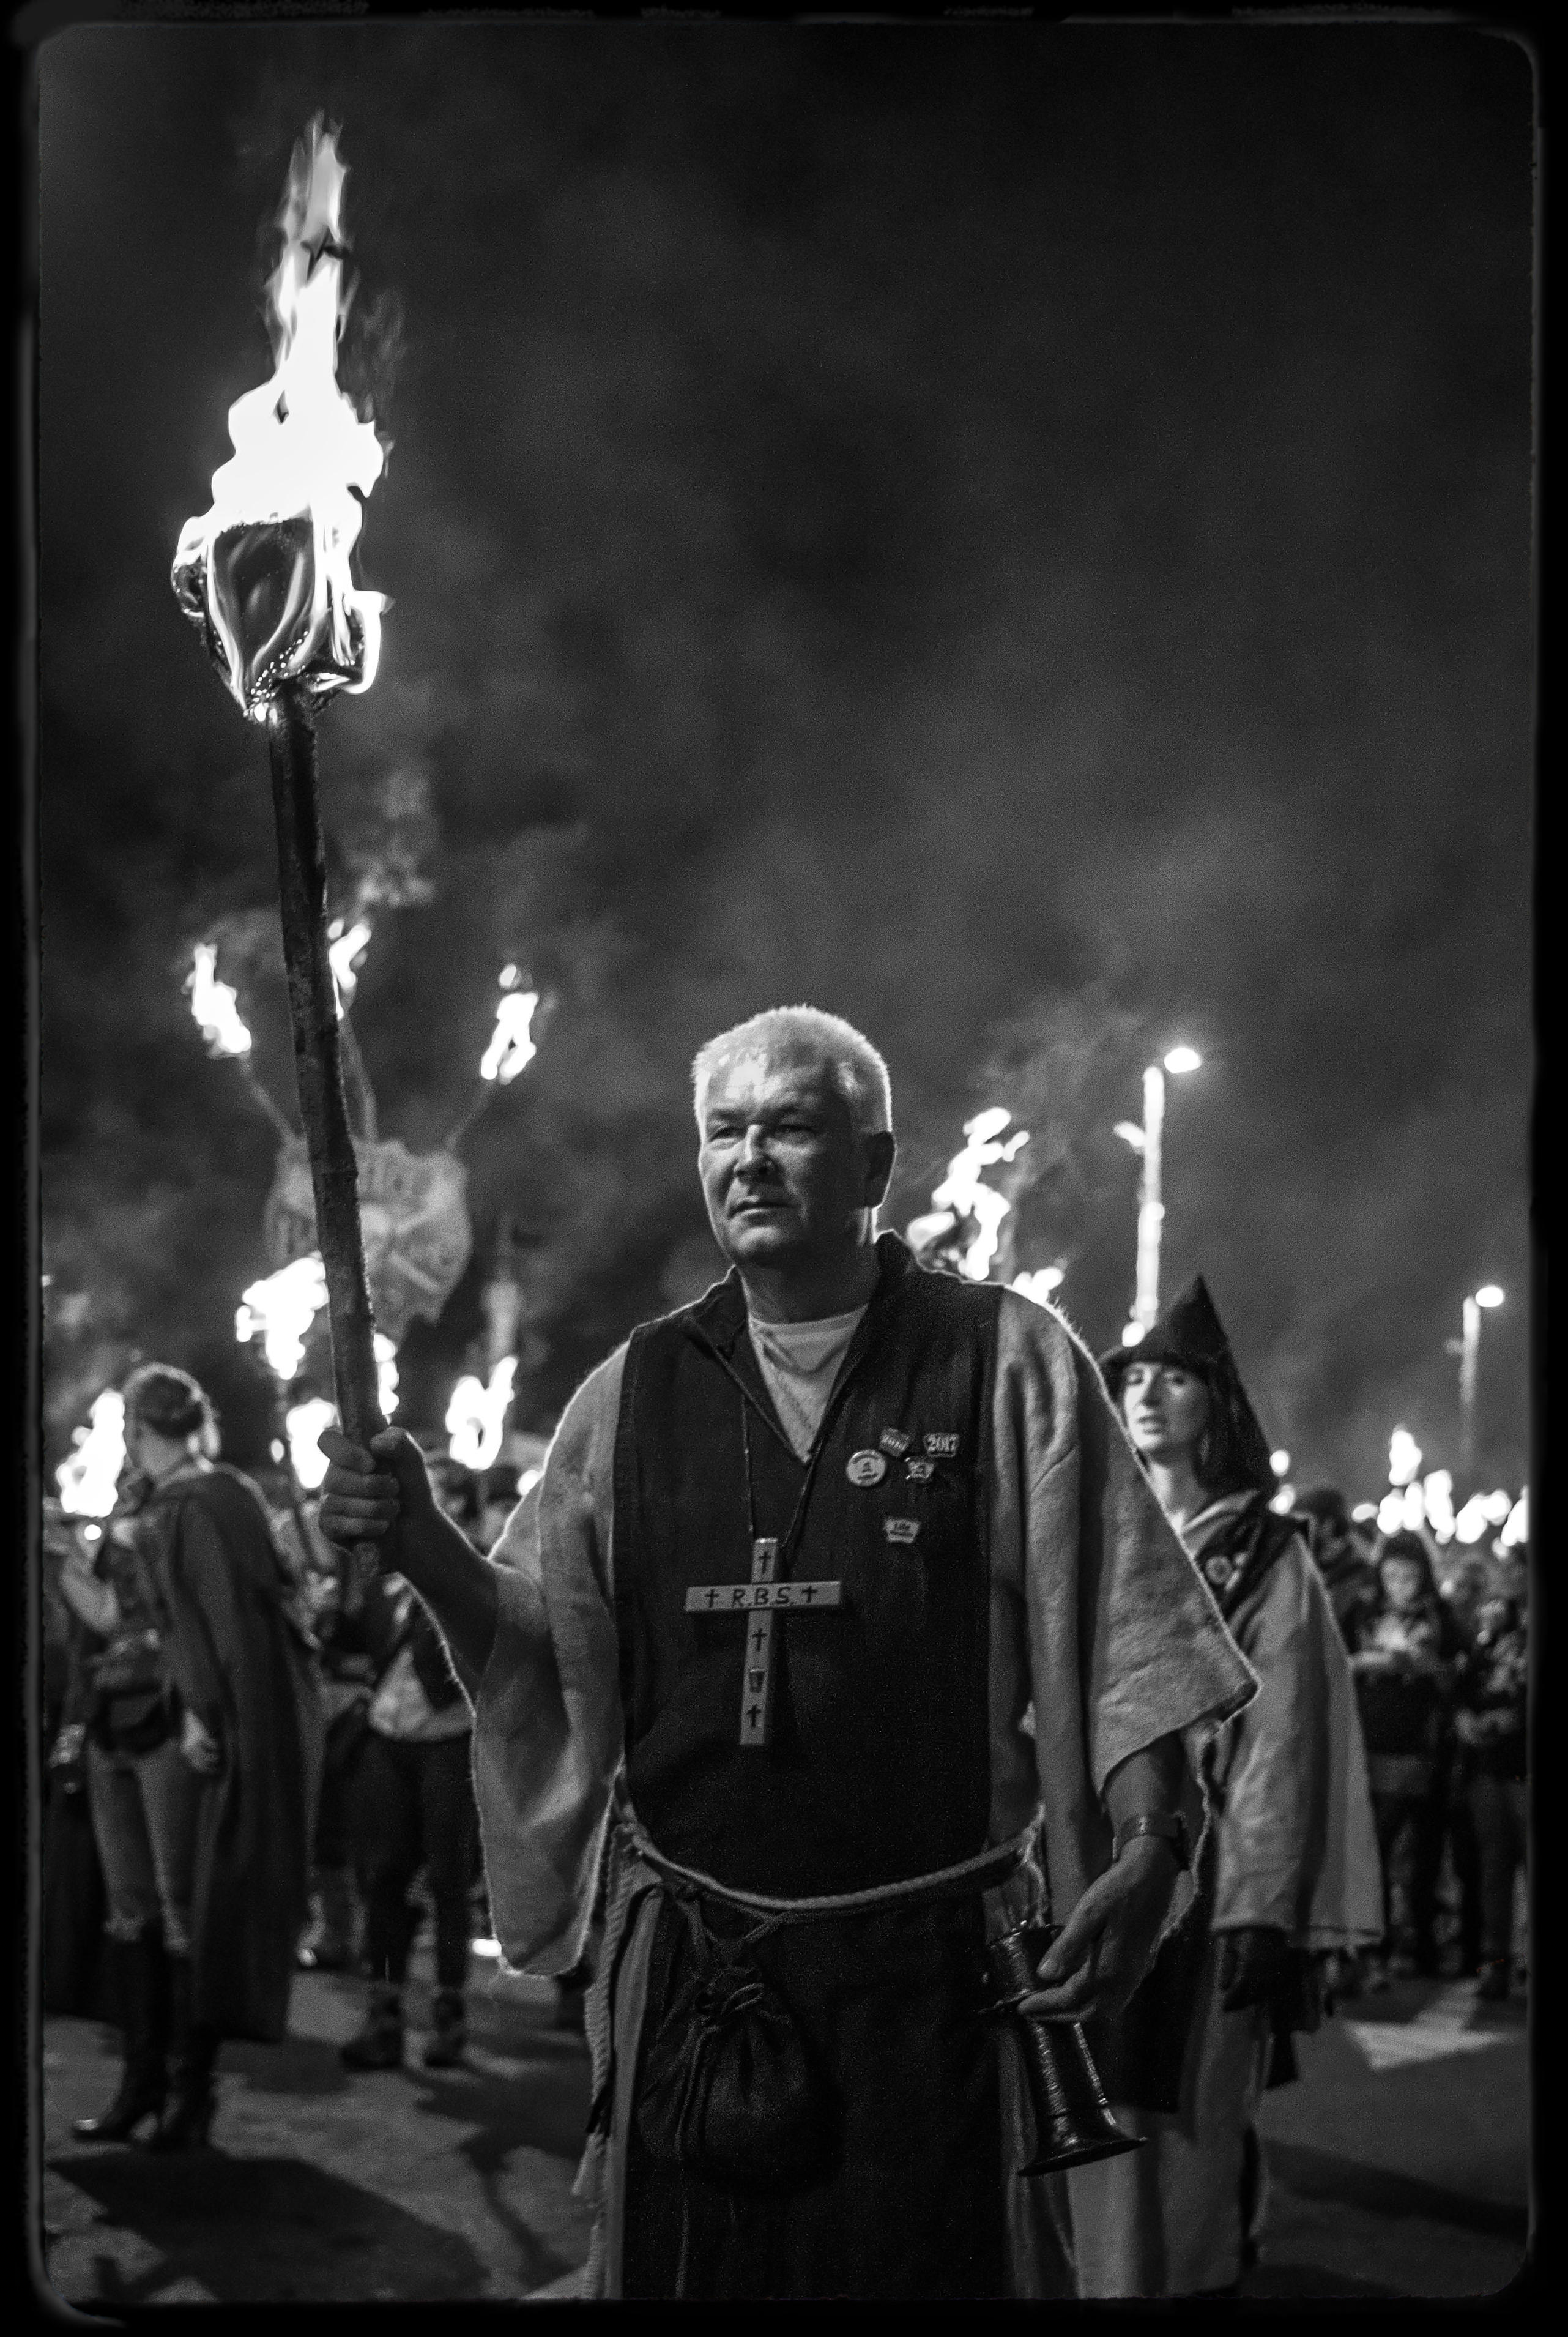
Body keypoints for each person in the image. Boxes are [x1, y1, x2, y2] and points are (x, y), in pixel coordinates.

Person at [319, 1005, 1259, 2300]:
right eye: (725, 1131)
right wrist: (424, 1541)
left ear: (874, 1164)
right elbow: (541, 1648)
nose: (750, 1157)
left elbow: (1126, 1636)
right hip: (695, 1971)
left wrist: (1152, 1845)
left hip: (933, 1977)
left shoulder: (1003, 1358)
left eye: (791, 1126)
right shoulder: (634, 1390)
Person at [1065, 1277, 1382, 2299]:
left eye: (1174, 1377)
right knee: (1083, 2105)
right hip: (1077, 1860)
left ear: (1218, 1403)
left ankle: (1186, 2279)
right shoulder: (1093, 1529)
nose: (1147, 1393)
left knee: (1185, 2117)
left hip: (1203, 1882)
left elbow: (1279, 1744)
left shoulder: (1264, 1555)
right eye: (1134, 1378)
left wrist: (1258, 1907)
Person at [69, 1364, 313, 2151]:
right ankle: (138, 2086)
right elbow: (114, 1618)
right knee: (131, 1909)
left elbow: (225, 1621)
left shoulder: (214, 1497)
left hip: (176, 1725)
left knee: (182, 1911)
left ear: (140, 1428)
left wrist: (208, 1714)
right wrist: (66, 1560)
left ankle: (188, 2093)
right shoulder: (139, 1503)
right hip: (115, 1719)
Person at [336, 1459, 481, 2074]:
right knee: (384, 1878)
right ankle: (385, 2012)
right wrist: (337, 1600)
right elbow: (353, 1640)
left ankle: (449, 2014)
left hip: (448, 1740)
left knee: (449, 1883)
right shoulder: (383, 1569)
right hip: (388, 1738)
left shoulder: (474, 1567)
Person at [1349, 1531, 1470, 1984]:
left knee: (1415, 1848)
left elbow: (1460, 1670)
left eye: (1409, 1576)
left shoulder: (1440, 1617)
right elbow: (1337, 1658)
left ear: (1424, 1575)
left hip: (1419, 1745)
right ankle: (1374, 1946)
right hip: (1369, 1738)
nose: (1399, 1584)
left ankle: (1415, 1943)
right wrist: (1367, 1662)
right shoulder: (1363, 1611)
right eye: (1391, 1575)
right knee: (1374, 1846)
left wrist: (1426, 1665)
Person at [1454, 1589, 1526, 2000]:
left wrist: (1515, 1717)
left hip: (1525, 1770)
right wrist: (1466, 1718)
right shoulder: (1486, 1643)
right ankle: (1494, 1963)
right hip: (1488, 1769)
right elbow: (1463, 1689)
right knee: (1493, 1871)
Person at [1291, 1487, 1381, 1650]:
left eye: (1305, 1524)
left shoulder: (1360, 1571)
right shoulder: (1302, 1565)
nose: (1297, 1532)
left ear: (1328, 1525)